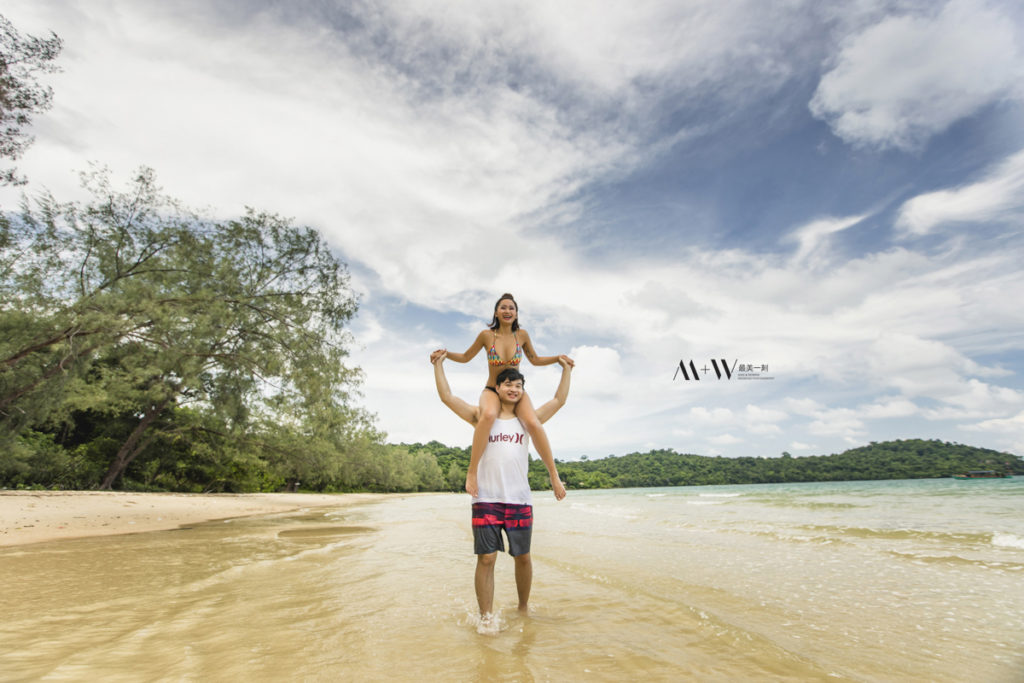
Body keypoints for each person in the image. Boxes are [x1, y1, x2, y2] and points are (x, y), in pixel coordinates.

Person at [430, 351, 571, 620]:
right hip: (485, 499)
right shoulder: (480, 416)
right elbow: (447, 397)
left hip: (519, 500)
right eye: (508, 384)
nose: (514, 389)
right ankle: (486, 618)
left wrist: (566, 370)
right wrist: (439, 365)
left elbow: (559, 400)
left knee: (524, 558)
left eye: (519, 386)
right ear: (497, 388)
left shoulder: (529, 421)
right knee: (486, 559)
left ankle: (522, 609)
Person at [435, 293, 573, 498]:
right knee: (488, 415)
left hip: (517, 390)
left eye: (512, 308)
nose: (508, 311)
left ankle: (553, 475)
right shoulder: (486, 336)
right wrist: (443, 356)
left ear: (516, 313)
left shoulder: (522, 335)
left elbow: (535, 360)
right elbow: (465, 357)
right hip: (492, 389)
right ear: (496, 312)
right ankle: (472, 472)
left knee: (534, 424)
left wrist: (559, 359)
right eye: (503, 307)